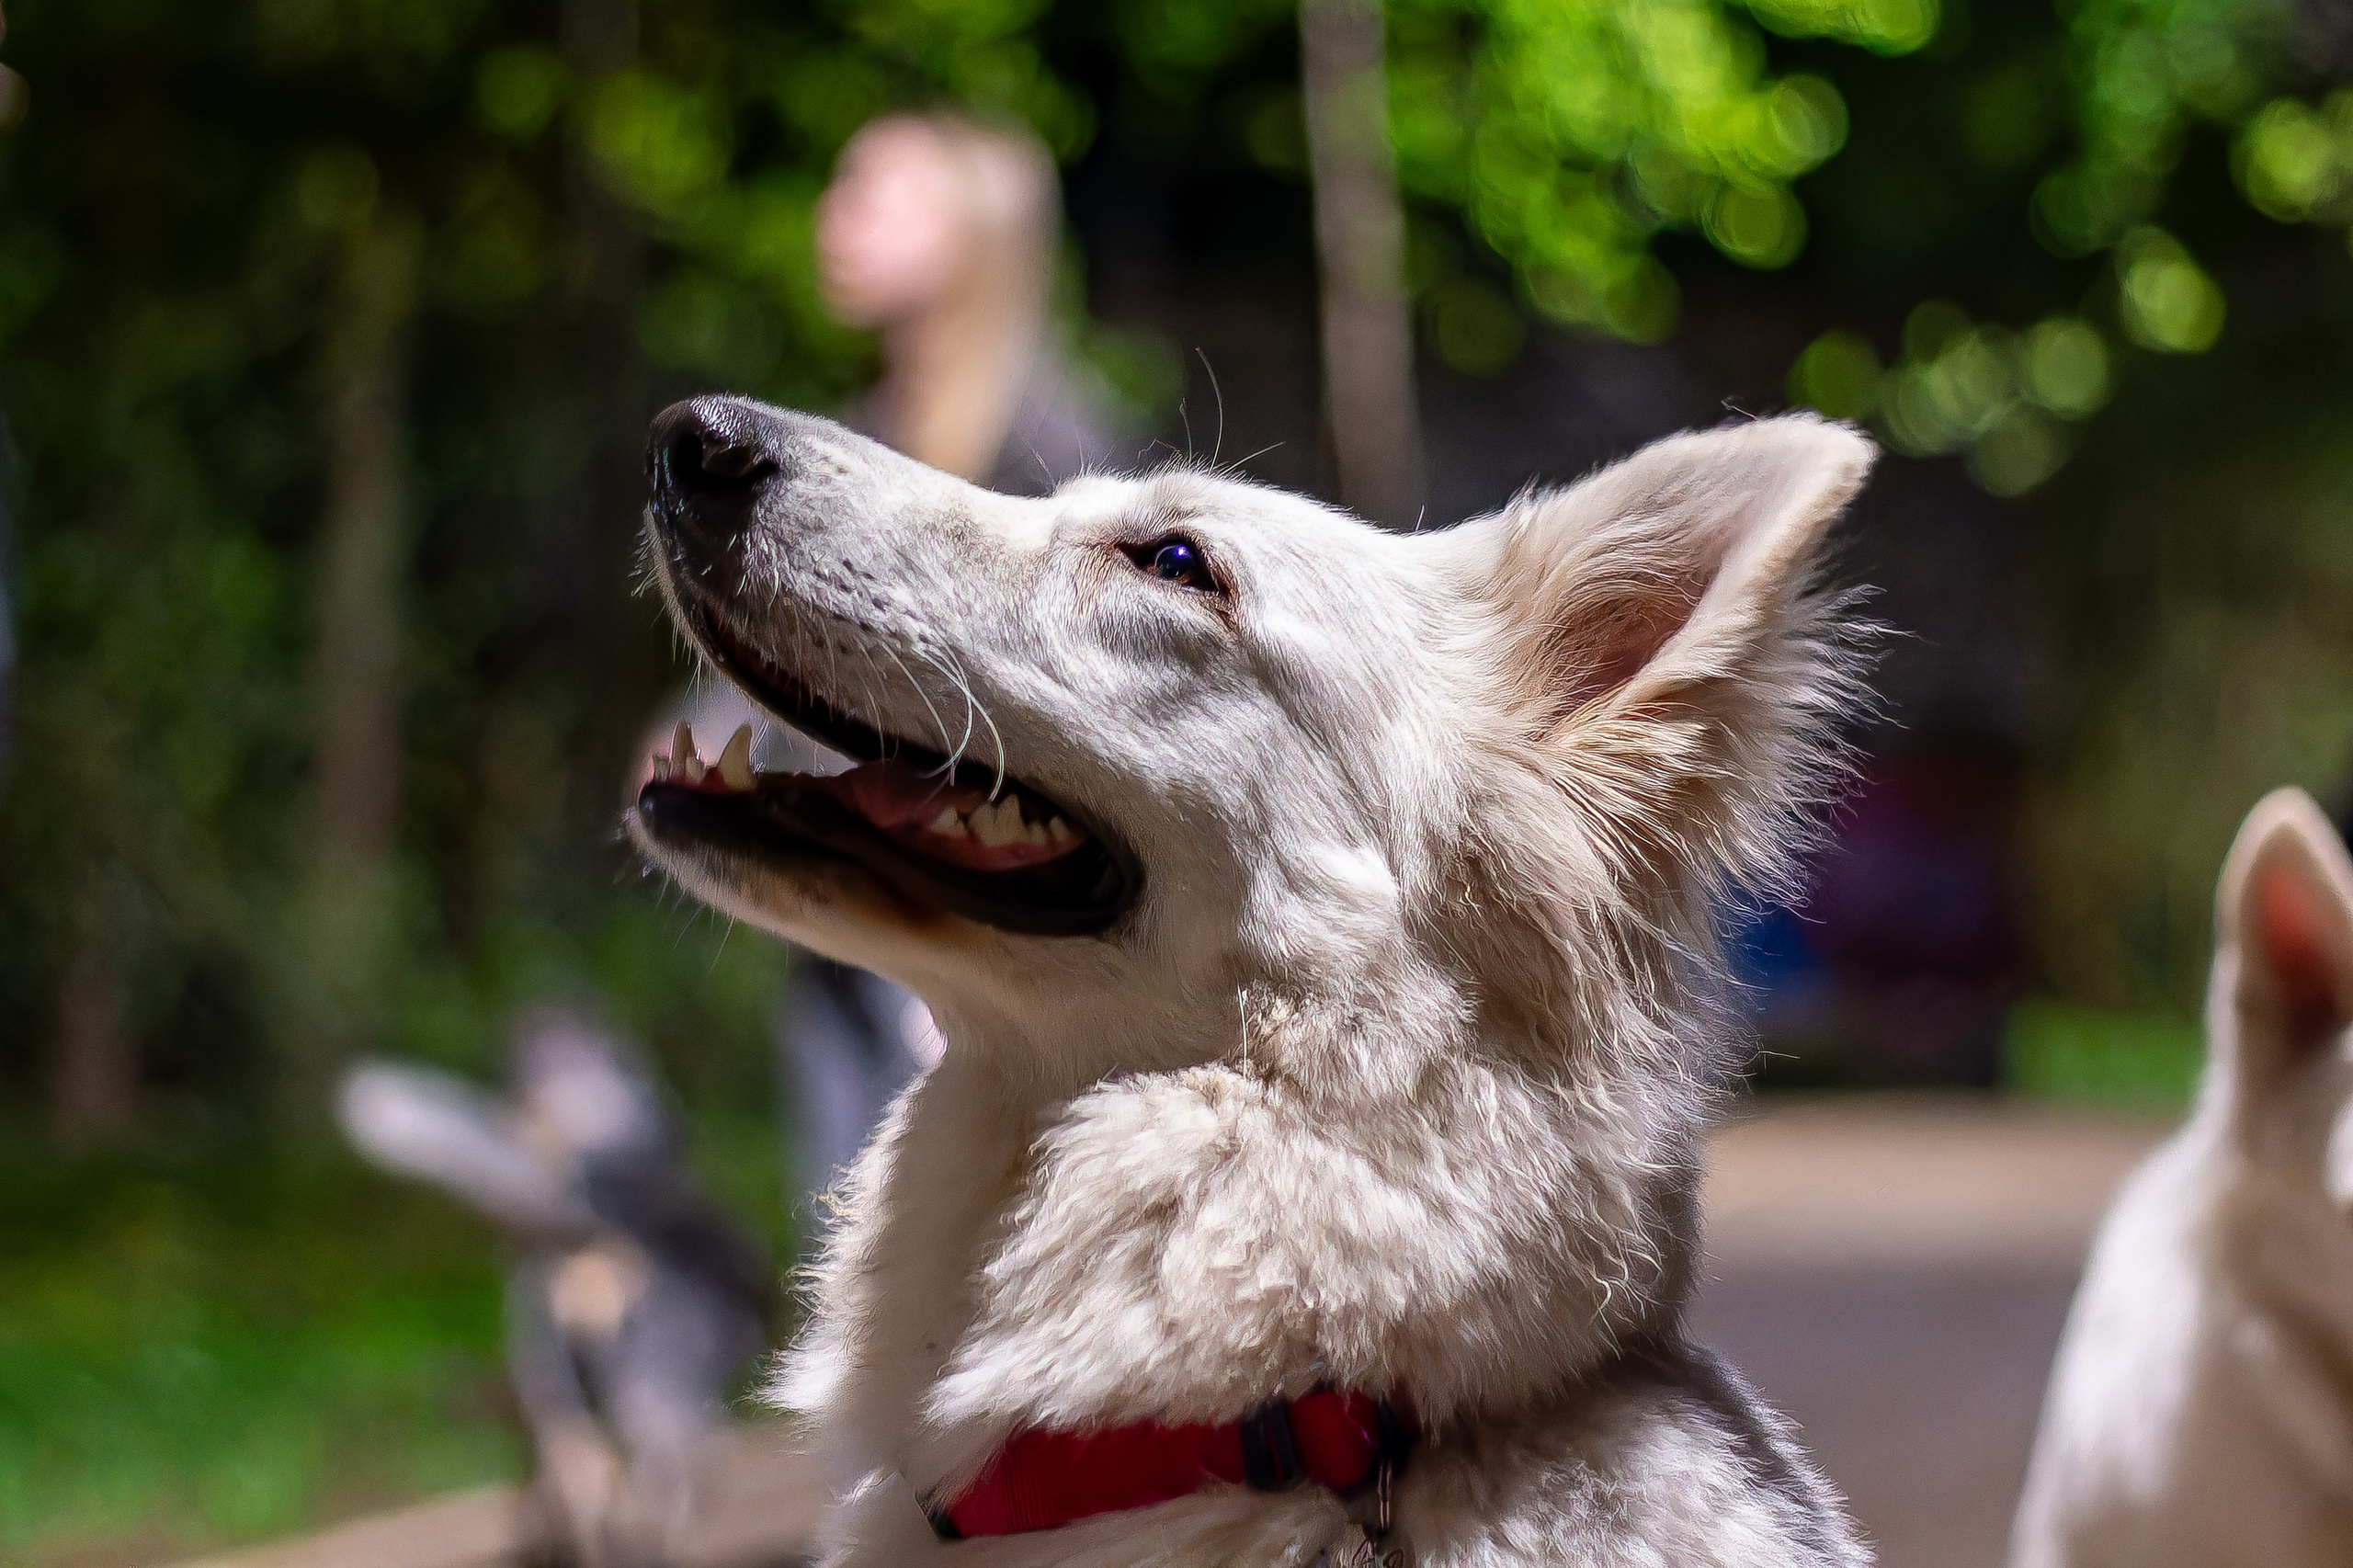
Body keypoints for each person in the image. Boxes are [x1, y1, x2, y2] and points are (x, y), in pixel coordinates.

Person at [644, 111, 1116, 1204]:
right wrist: (705, 722)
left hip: (973, 935)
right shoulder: (872, 424)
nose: (830, 218)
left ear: (972, 235)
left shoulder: (1059, 445)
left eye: (872, 196)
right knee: (844, 1226)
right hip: (844, 905)